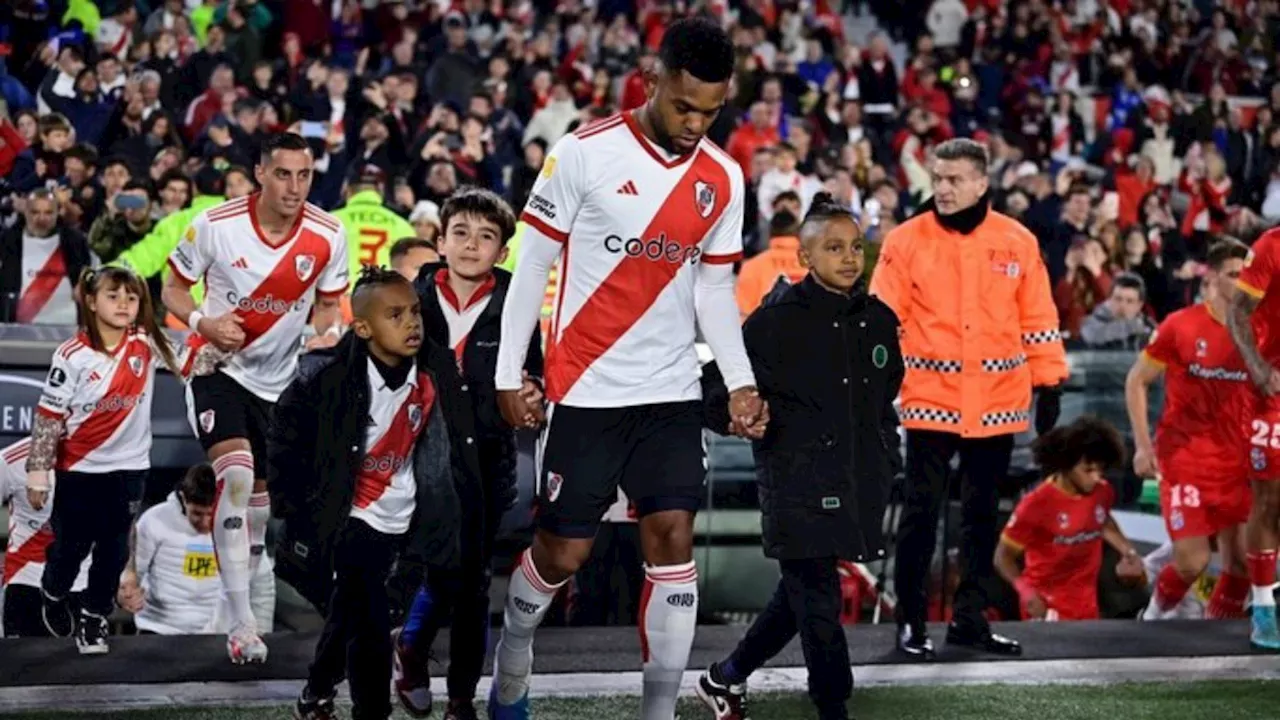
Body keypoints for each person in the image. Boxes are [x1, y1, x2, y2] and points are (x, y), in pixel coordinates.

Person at [488, 17, 767, 720]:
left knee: (672, 538)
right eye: (684, 107)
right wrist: (505, 372)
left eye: (712, 111)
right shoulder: (584, 153)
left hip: (671, 391)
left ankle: (659, 711)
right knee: (563, 555)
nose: (696, 124)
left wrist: (738, 379)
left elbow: (712, 288)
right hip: (584, 392)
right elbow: (532, 266)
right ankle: (514, 648)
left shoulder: (723, 179)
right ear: (652, 81)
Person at [695, 193, 903, 720]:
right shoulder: (773, 322)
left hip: (857, 480)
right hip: (794, 479)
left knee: (803, 596)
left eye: (856, 246)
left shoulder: (879, 320)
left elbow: (885, 402)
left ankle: (726, 677)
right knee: (819, 600)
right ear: (805, 257)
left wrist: (887, 458)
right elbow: (713, 391)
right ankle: (833, 707)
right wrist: (738, 417)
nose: (850, 257)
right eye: (834, 247)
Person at [870, 138, 1068, 660]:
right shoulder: (905, 241)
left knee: (982, 518)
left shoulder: (1018, 241)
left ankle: (970, 620)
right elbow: (881, 321)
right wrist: (876, 390)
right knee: (920, 515)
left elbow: (1039, 318)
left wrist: (1050, 382)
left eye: (954, 179)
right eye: (938, 177)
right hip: (928, 401)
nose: (943, 188)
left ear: (983, 182)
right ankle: (910, 622)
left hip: (997, 406)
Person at [162, 132, 349, 664]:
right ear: (261, 173)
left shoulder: (329, 234)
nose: (295, 187)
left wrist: (324, 332)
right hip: (216, 368)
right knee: (236, 477)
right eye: (284, 174)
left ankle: (238, 604)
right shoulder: (215, 226)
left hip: (279, 384)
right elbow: (171, 288)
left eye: (305, 175)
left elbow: (331, 304)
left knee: (260, 514)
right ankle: (242, 622)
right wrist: (203, 321)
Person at [267, 268, 476, 720]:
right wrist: (297, 511)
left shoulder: (437, 368)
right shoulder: (326, 380)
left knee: (351, 612)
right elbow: (285, 441)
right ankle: (372, 712)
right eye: (395, 315)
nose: (411, 323)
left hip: (407, 516)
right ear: (362, 328)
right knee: (372, 624)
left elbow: (458, 442)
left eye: (415, 312)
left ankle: (316, 690)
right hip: (351, 518)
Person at [394, 187, 543, 720]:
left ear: (503, 251)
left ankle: (459, 696)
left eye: (486, 237)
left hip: (490, 459)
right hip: (418, 461)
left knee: (473, 581)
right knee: (442, 571)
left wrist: (532, 395)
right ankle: (411, 653)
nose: (471, 245)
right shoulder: (408, 298)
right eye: (460, 233)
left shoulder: (519, 302)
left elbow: (536, 372)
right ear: (440, 240)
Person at [25, 266, 179, 653]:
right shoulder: (72, 355)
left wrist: (228, 346)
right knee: (71, 548)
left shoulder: (147, 342)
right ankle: (54, 592)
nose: (124, 304)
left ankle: (94, 618)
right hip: (79, 470)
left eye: (131, 297)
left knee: (113, 550)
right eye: (113, 296)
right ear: (91, 302)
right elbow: (49, 416)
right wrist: (38, 472)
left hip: (129, 468)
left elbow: (191, 360)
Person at [1125, 239, 1254, 621]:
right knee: (1192, 561)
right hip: (1185, 461)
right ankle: (1152, 616)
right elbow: (1136, 380)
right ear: (1212, 278)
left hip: (1239, 466)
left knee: (1244, 567)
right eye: (1234, 275)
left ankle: (1215, 639)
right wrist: (1142, 447)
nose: (1244, 283)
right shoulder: (1180, 326)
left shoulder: (1262, 330)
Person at [993, 417, 1145, 621]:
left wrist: (1128, 551)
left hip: (1087, 605)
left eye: (1100, 470)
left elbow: (1102, 521)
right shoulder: (1037, 504)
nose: (1095, 477)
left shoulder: (1103, 492)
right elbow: (1002, 557)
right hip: (1045, 607)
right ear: (1065, 464)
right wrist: (1025, 592)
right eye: (1088, 470)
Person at [115, 464, 276, 635]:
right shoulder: (154, 521)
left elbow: (261, 584)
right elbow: (130, 575)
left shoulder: (239, 526)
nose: (206, 523)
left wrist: (262, 633)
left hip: (218, 634)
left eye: (212, 514)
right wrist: (125, 594)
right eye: (197, 513)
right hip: (159, 631)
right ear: (184, 499)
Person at [1226, 225, 1280, 650]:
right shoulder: (1270, 247)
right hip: (1273, 392)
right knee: (1269, 500)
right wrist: (1258, 367)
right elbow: (1237, 310)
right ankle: (1262, 606)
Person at [0, 438, 89, 637]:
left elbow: (122, 519)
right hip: (27, 580)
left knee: (84, 668)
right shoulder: (12, 460)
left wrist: (126, 573)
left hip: (84, 584)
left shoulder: (108, 457)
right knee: (21, 666)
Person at [333, 164, 416, 281]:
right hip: (384, 296)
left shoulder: (331, 220)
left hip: (340, 295)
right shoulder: (402, 226)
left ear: (347, 189)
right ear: (381, 190)